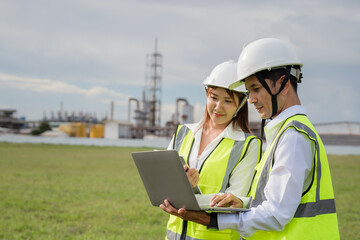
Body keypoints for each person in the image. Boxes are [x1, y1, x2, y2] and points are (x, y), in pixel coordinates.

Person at [161, 38, 340, 239]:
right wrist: (243, 203)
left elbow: (276, 213)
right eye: (249, 91)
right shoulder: (284, 133)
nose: (251, 99)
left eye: (256, 89)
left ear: (283, 83)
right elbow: (276, 200)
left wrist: (211, 220)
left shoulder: (293, 137)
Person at [161, 60, 262, 240]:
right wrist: (178, 188)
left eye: (228, 101)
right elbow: (162, 189)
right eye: (213, 97)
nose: (218, 107)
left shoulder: (248, 145)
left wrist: (185, 192)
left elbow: (234, 201)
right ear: (206, 95)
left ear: (240, 104)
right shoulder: (182, 133)